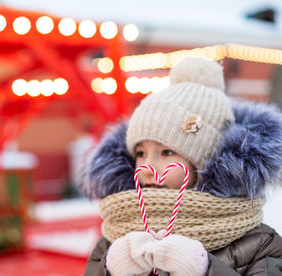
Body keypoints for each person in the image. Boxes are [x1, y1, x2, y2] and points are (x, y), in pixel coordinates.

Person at [80, 57, 282, 275]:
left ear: (208, 159)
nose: (147, 167)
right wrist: (109, 269)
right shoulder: (115, 236)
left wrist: (207, 271)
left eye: (167, 152)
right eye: (140, 153)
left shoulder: (259, 243)